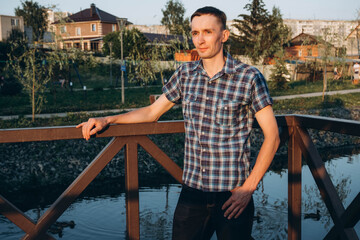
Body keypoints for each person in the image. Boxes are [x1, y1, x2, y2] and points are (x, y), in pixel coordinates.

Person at [77, 6, 279, 240]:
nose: (200, 40)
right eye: (195, 33)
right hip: (192, 194)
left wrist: (248, 189)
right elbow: (152, 112)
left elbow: (272, 136)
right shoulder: (185, 74)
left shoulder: (249, 77)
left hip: (233, 196)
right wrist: (108, 119)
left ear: (224, 35)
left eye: (207, 32)